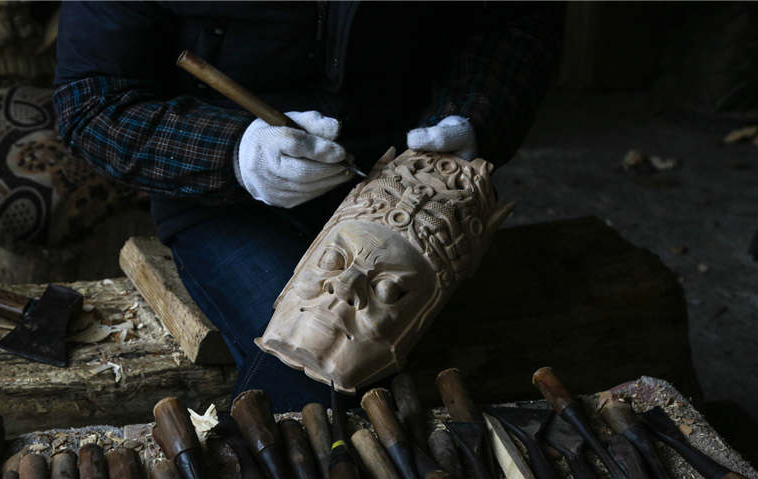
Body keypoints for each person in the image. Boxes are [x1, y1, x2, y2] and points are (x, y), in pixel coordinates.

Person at [54, 2, 563, 411]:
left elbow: (517, 24)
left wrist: (472, 116)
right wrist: (235, 153)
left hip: (402, 175)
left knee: (469, 360)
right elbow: (91, 101)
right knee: (318, 366)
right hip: (228, 196)